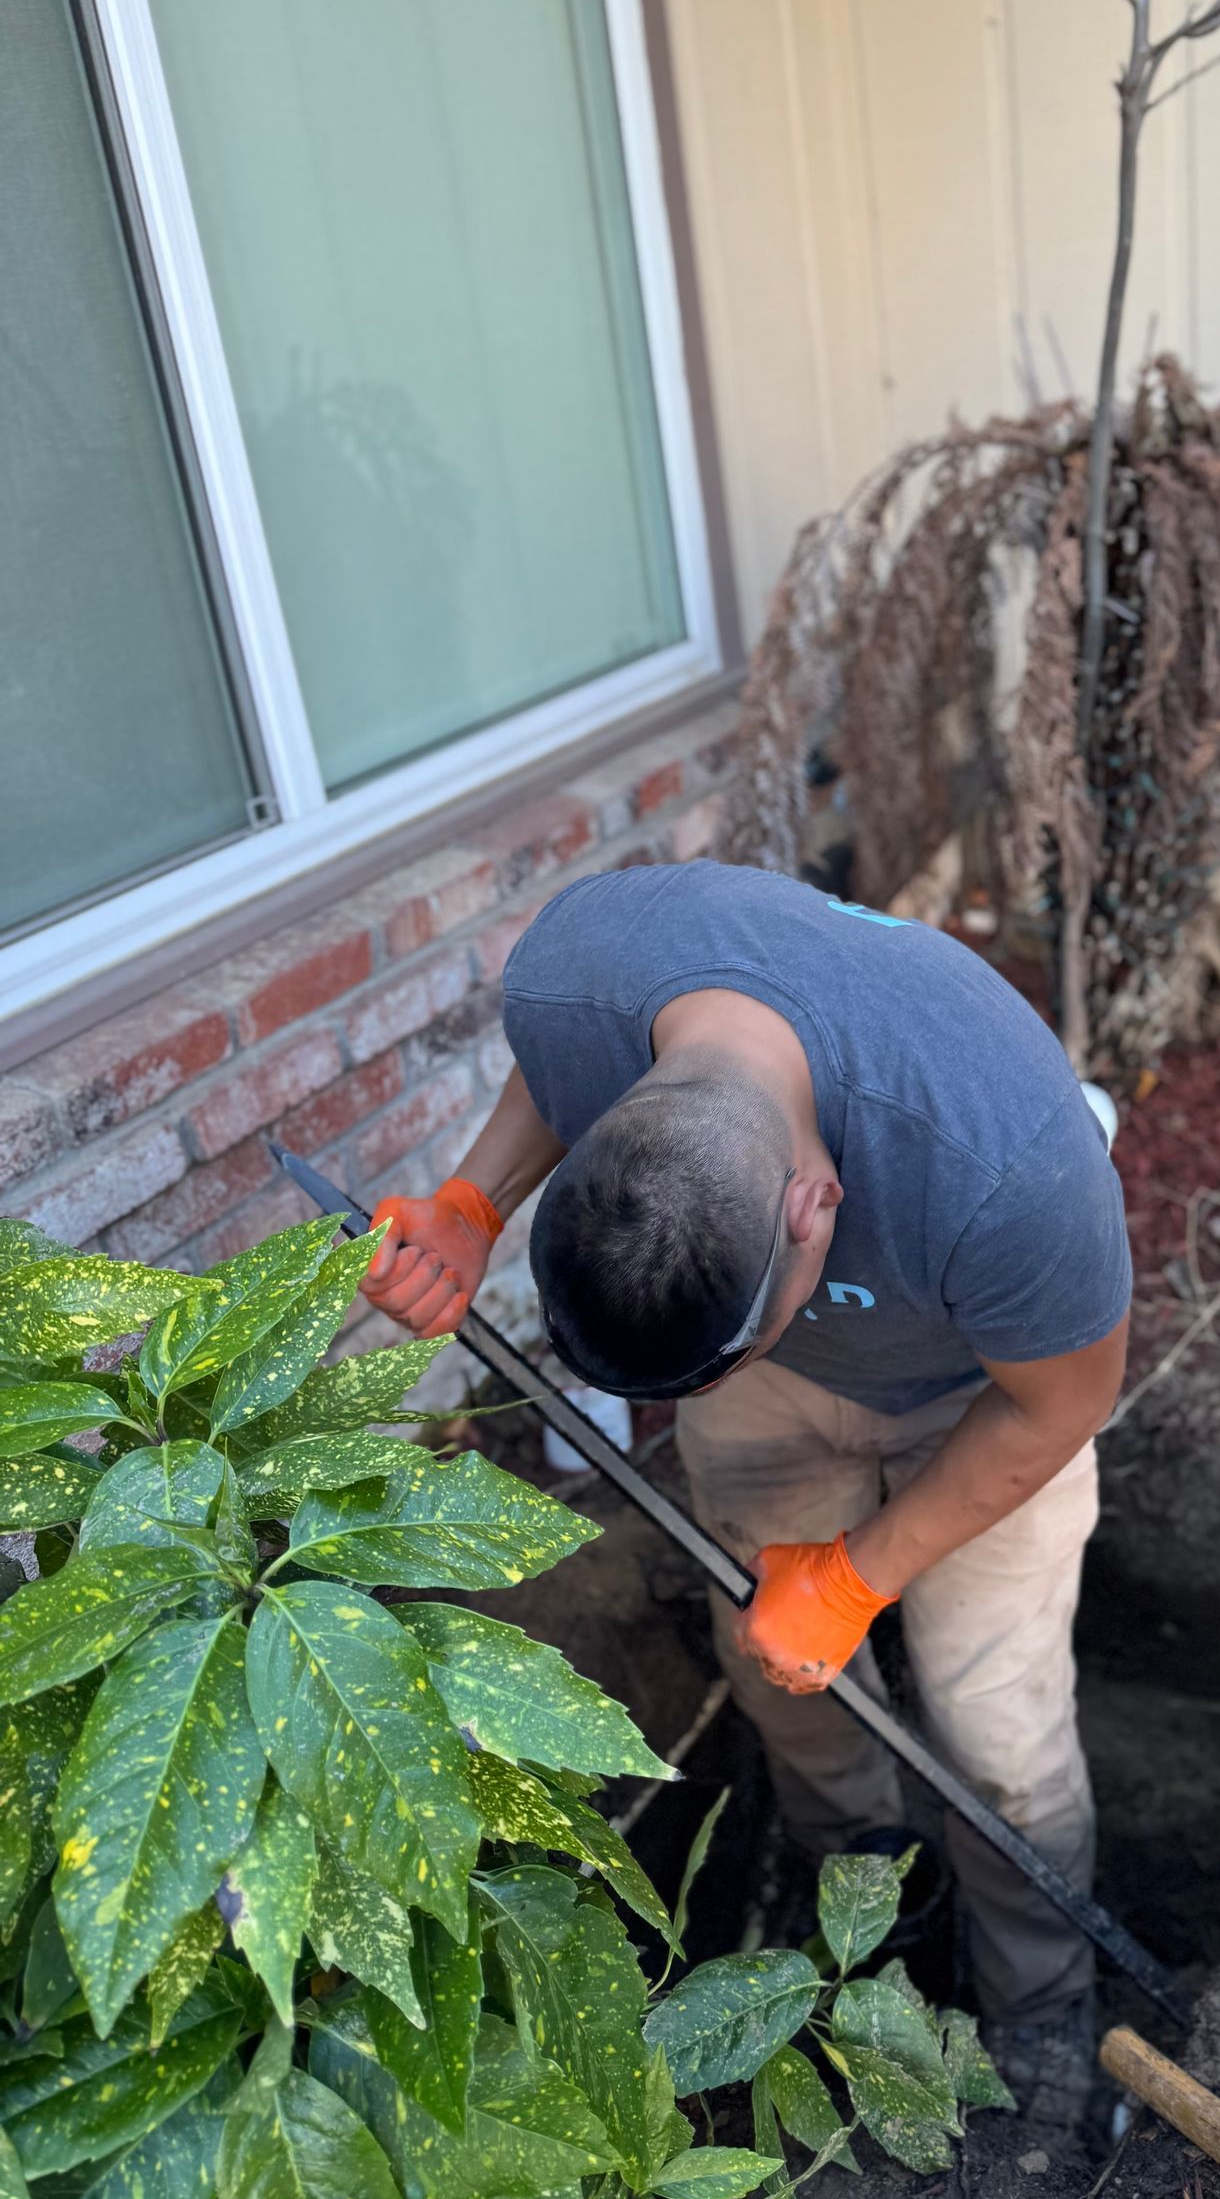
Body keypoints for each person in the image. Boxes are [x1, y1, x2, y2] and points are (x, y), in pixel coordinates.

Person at [359, 858, 1132, 2124]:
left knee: (999, 1729)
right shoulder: (580, 976)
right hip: (778, 1392)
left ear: (815, 1205)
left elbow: (1060, 1402)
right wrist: (469, 1200)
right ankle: (866, 1912)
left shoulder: (1008, 1165)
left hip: (977, 1400)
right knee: (784, 1671)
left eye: (739, 1340)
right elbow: (551, 1081)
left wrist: (861, 1570)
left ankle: (1039, 2001)